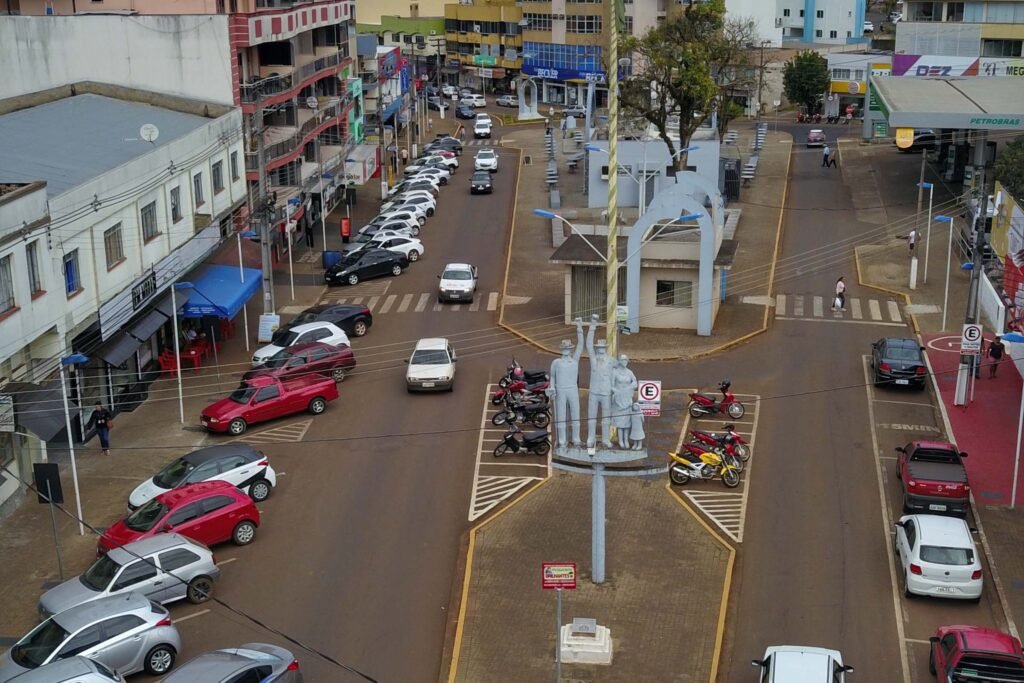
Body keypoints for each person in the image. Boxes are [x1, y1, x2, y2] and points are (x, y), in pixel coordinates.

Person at [546, 319, 585, 449]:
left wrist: (579, 328)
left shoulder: (575, 361)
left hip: (573, 389)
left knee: (575, 414)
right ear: (561, 349)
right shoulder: (556, 362)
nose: (566, 350)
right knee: (561, 416)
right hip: (561, 390)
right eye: (564, 348)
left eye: (568, 348)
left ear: (571, 349)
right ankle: (562, 440)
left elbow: (581, 345)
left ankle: (576, 438)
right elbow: (552, 376)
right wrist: (552, 387)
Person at [585, 315, 614, 449]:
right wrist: (593, 325)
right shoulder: (593, 359)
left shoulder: (611, 360)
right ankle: (590, 438)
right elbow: (588, 344)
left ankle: (606, 439)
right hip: (594, 392)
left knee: (606, 418)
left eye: (602, 349)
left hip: (606, 392)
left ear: (606, 349)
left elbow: (617, 375)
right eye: (598, 349)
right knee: (591, 417)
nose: (600, 351)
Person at [610, 355, 638, 449]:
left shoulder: (630, 372)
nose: (625, 361)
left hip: (627, 399)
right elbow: (611, 385)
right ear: (620, 361)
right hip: (618, 399)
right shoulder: (615, 372)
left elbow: (635, 382)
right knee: (619, 422)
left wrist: (631, 386)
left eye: (626, 360)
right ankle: (620, 440)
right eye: (623, 360)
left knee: (627, 422)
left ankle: (626, 440)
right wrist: (616, 391)